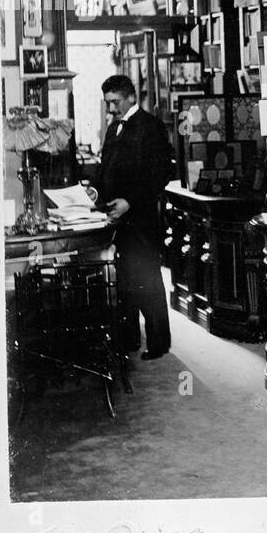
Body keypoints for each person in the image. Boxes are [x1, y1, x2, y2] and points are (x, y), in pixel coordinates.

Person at [87, 75, 175, 360]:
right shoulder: (113, 129)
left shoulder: (152, 127)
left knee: (148, 279)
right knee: (124, 281)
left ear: (130, 97)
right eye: (107, 103)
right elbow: (106, 170)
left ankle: (159, 343)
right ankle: (129, 340)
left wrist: (130, 201)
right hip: (117, 218)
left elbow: (161, 174)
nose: (110, 109)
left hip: (143, 220)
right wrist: (95, 191)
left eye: (114, 102)